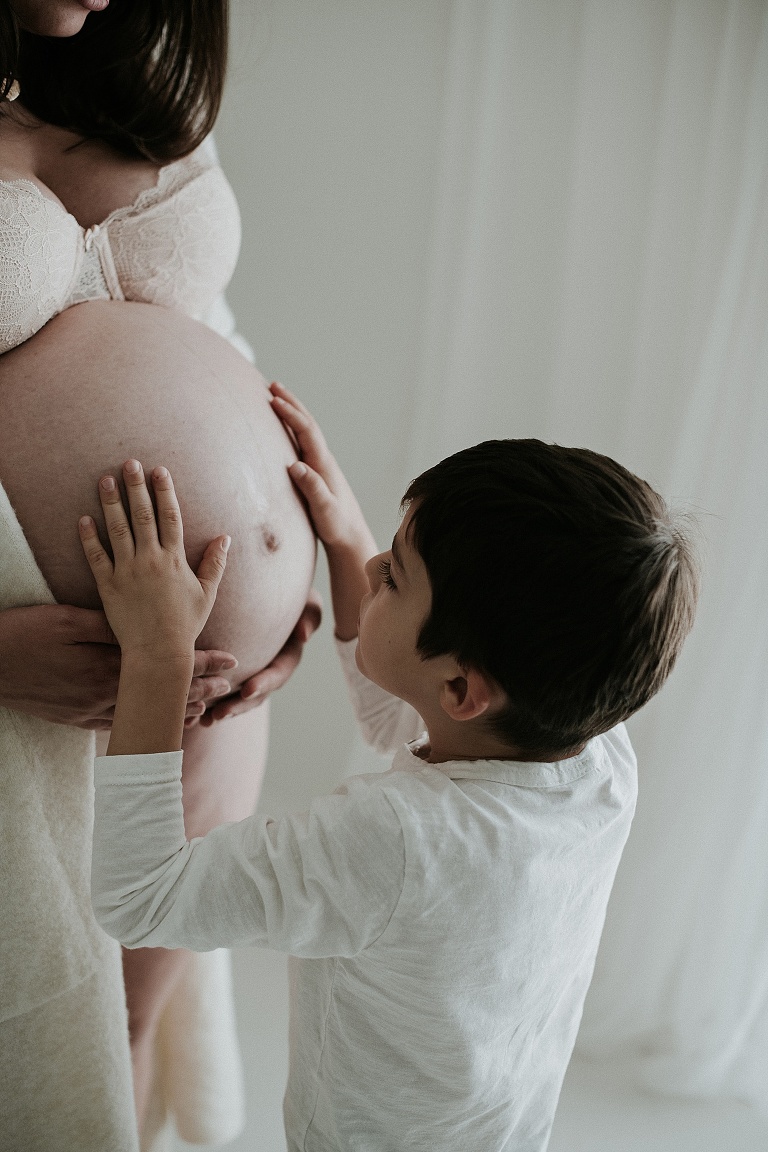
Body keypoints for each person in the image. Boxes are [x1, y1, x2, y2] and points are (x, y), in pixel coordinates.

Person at [82, 383, 699, 1151]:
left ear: (461, 689)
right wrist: (344, 540)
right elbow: (396, 713)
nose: (373, 566)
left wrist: (156, 654)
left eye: (396, 575)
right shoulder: (597, 758)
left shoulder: (393, 840)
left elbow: (142, 901)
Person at [0, 2, 319, 1147]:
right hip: (27, 705)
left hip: (208, 690)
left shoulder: (137, 47)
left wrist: (296, 549)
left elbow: (205, 323)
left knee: (120, 1036)